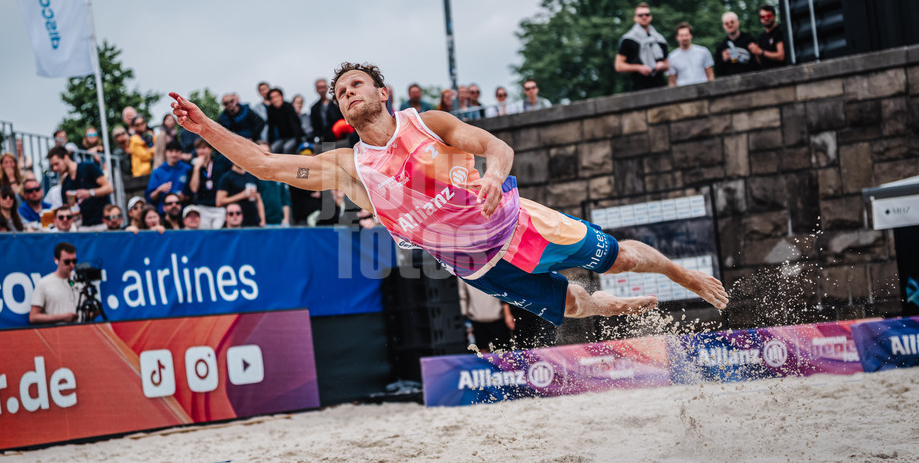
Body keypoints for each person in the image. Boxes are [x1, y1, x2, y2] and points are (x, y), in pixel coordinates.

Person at [170, 62, 729, 326]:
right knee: (575, 307)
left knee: (623, 256)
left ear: (381, 92)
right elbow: (265, 165)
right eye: (339, 93)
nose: (346, 95)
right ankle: (608, 303)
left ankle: (681, 274)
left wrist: (490, 174)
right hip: (475, 265)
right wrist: (205, 129)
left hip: (517, 224)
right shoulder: (351, 167)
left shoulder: (427, 122)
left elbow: (497, 148)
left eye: (355, 85)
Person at [46, 145, 113, 230]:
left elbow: (109, 188)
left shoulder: (88, 167)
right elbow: (67, 209)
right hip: (84, 226)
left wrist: (90, 193)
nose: (55, 168)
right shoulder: (66, 183)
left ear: (66, 157)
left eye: (56, 164)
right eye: (52, 166)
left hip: (103, 223)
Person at [615, 3, 669, 91]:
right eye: (640, 15)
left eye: (647, 14)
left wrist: (662, 65)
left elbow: (667, 64)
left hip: (661, 86)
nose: (644, 17)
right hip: (639, 87)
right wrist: (639, 68)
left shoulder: (659, 39)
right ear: (635, 18)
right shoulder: (628, 40)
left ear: (651, 17)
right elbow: (619, 66)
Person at [29, 242, 80, 325]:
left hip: (81, 332)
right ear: (56, 260)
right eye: (67, 262)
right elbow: (33, 317)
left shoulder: (80, 280)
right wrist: (62, 317)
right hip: (56, 334)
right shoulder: (44, 283)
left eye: (74, 261)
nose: (71, 265)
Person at [459, 278, 513, 352]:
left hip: (492, 316)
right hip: (480, 317)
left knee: (499, 349)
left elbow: (463, 296)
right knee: (486, 348)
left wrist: (507, 313)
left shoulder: (462, 270)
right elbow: (463, 295)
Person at [147, 140, 192, 212]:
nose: (174, 154)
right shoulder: (157, 172)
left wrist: (184, 198)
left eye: (177, 151)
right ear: (166, 153)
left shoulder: (187, 169)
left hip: (182, 211)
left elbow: (193, 193)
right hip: (163, 213)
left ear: (180, 153)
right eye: (171, 151)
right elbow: (149, 198)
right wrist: (158, 190)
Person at [217, 161, 265, 227]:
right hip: (236, 222)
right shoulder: (226, 177)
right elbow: (219, 202)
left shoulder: (252, 176)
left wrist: (262, 220)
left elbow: (259, 200)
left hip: (254, 220)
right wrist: (242, 195)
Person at [254, 141, 291, 225]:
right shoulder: (253, 174)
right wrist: (261, 220)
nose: (265, 154)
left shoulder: (279, 174)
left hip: (280, 222)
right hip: (263, 223)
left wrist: (286, 219)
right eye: (262, 152)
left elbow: (285, 199)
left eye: (268, 152)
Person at [714, 11, 756, 77]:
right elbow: (718, 71)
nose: (729, 25)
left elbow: (757, 61)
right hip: (730, 82)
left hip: (750, 78)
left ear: (738, 23)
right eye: (726, 23)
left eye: (732, 22)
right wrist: (723, 60)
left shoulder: (749, 39)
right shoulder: (721, 47)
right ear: (723, 26)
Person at [266, 87, 304, 155]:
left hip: (294, 136)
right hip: (282, 138)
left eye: (277, 96)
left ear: (281, 96)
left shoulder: (288, 106)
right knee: (273, 148)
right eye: (272, 98)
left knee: (287, 148)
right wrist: (269, 143)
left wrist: (298, 141)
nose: (275, 99)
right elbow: (271, 127)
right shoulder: (270, 110)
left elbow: (295, 125)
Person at [750, 4, 787, 69]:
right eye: (763, 17)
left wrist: (761, 51)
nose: (766, 18)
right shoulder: (762, 36)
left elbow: (781, 56)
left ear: (774, 16)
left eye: (768, 15)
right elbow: (760, 62)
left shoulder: (779, 31)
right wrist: (755, 51)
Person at [310, 77, 344, 142]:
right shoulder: (314, 108)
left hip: (338, 134)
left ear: (327, 88)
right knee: (328, 149)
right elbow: (314, 126)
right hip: (325, 137)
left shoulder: (336, 104)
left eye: (323, 87)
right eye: (320, 88)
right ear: (316, 90)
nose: (322, 90)